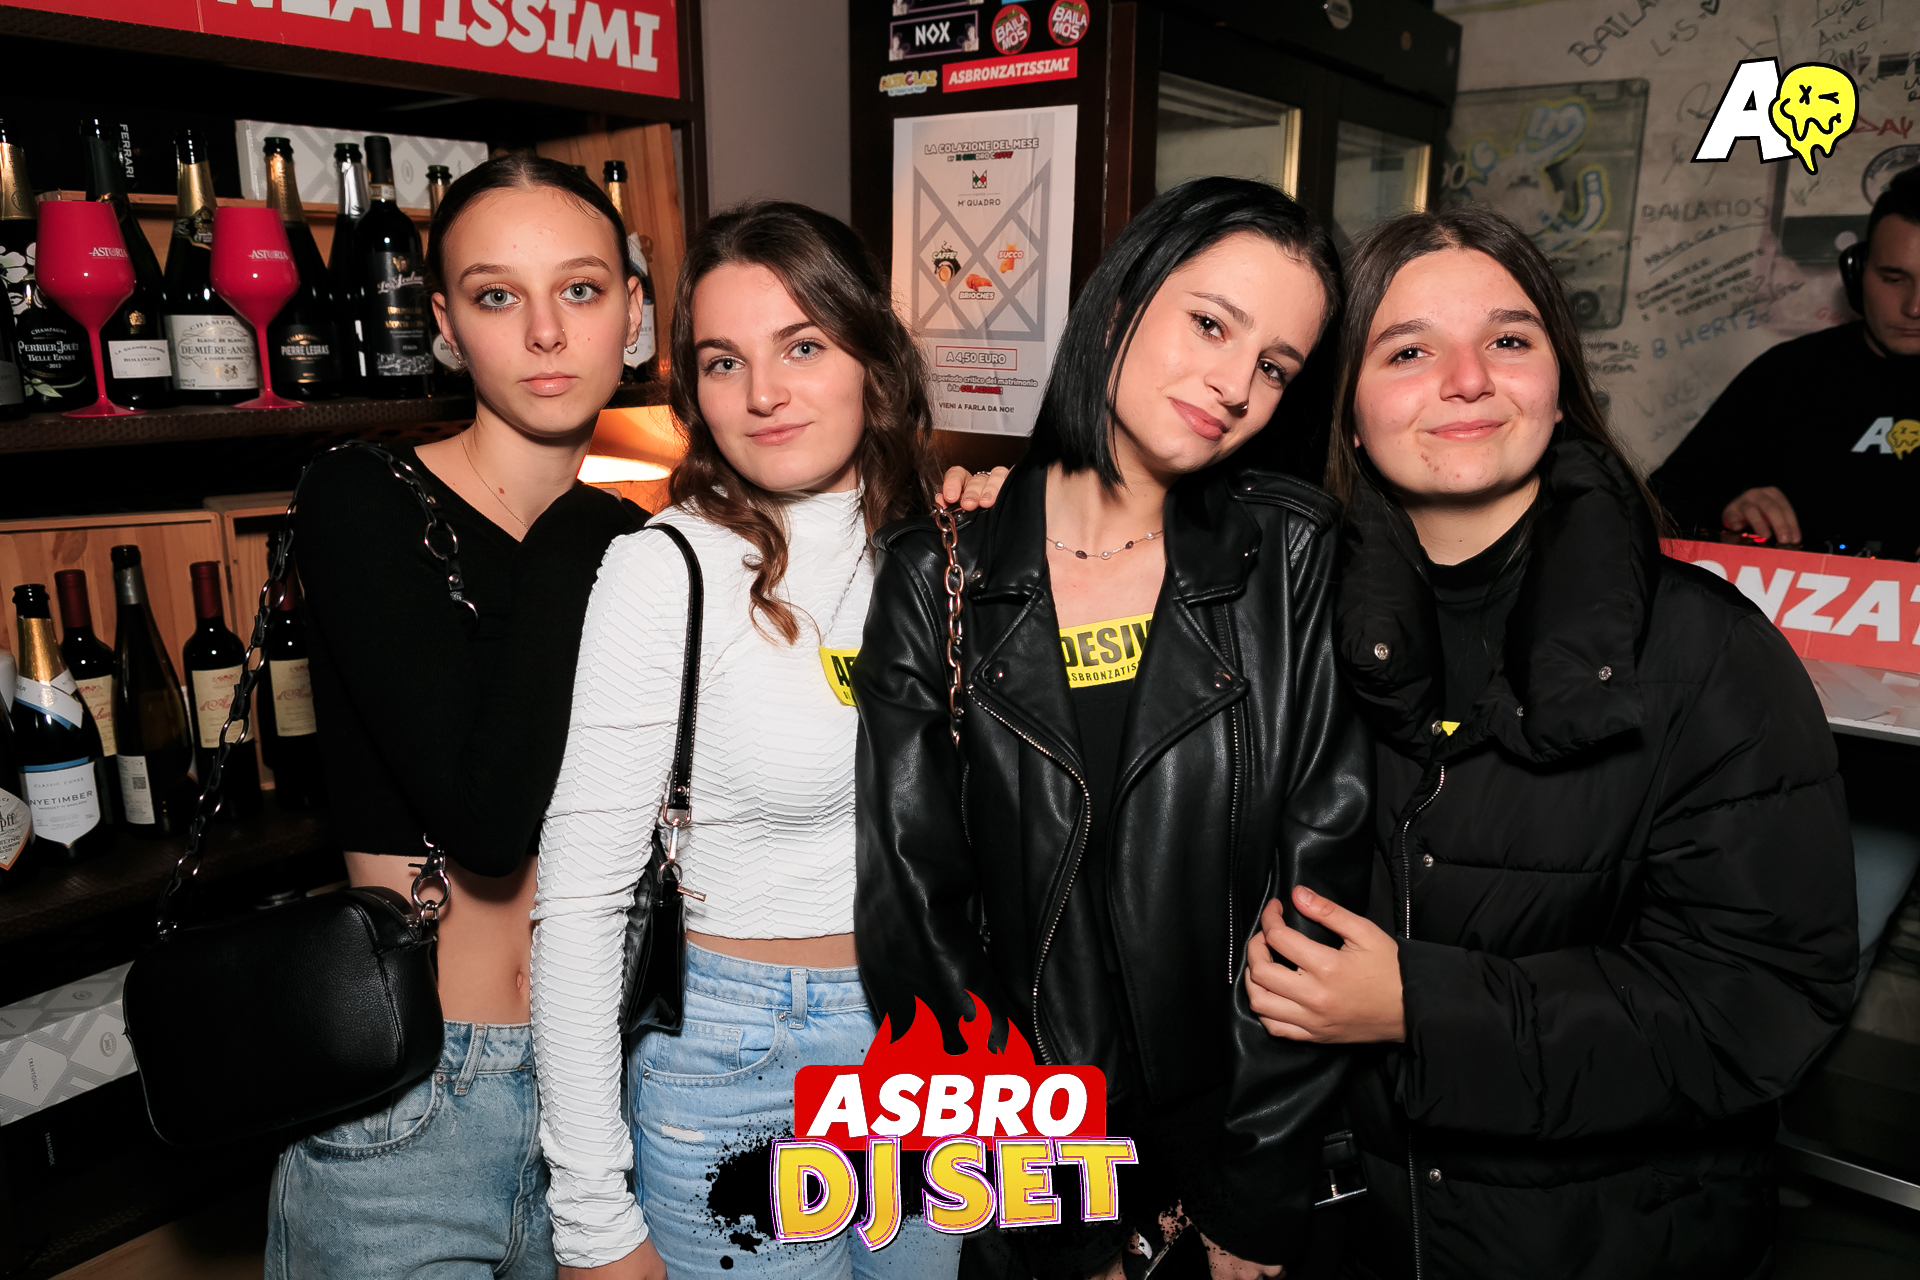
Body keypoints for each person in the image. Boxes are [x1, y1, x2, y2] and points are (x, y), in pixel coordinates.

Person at [279, 163, 995, 1277]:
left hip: (617, 1045)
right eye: (497, 295)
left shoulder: (635, 537)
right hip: (432, 1080)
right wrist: (602, 532)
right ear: (444, 327)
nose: (546, 332)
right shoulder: (386, 502)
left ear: (632, 313)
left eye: (579, 289)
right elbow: (488, 818)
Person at [1243, 205, 1857, 1279]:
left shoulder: (1708, 653)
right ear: (1348, 411)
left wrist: (1422, 1007)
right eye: (1408, 350)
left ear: (1560, 385)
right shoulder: (1283, 633)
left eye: (1509, 339)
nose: (1468, 379)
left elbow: (1761, 1004)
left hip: (1617, 1241)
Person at [854, 177, 1372, 1280]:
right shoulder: (940, 567)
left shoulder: (1290, 558)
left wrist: (1254, 1186)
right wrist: (1051, 1201)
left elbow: (1320, 882)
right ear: (1123, 299)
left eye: (1275, 366)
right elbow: (916, 916)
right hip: (1035, 1162)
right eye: (1211, 324)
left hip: (1231, 1154)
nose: (1236, 385)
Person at [529, 202, 1001, 1280]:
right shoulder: (666, 570)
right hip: (739, 1055)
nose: (763, 393)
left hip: (931, 1045)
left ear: (873, 359)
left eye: (803, 346)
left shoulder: (954, 552)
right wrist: (591, 1210)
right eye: (723, 361)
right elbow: (582, 901)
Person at [1650, 165, 1920, 556]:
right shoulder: (1789, 376)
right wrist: (1727, 512)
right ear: (1857, 273)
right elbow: (1657, 509)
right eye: (1894, 279)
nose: (1914, 307)